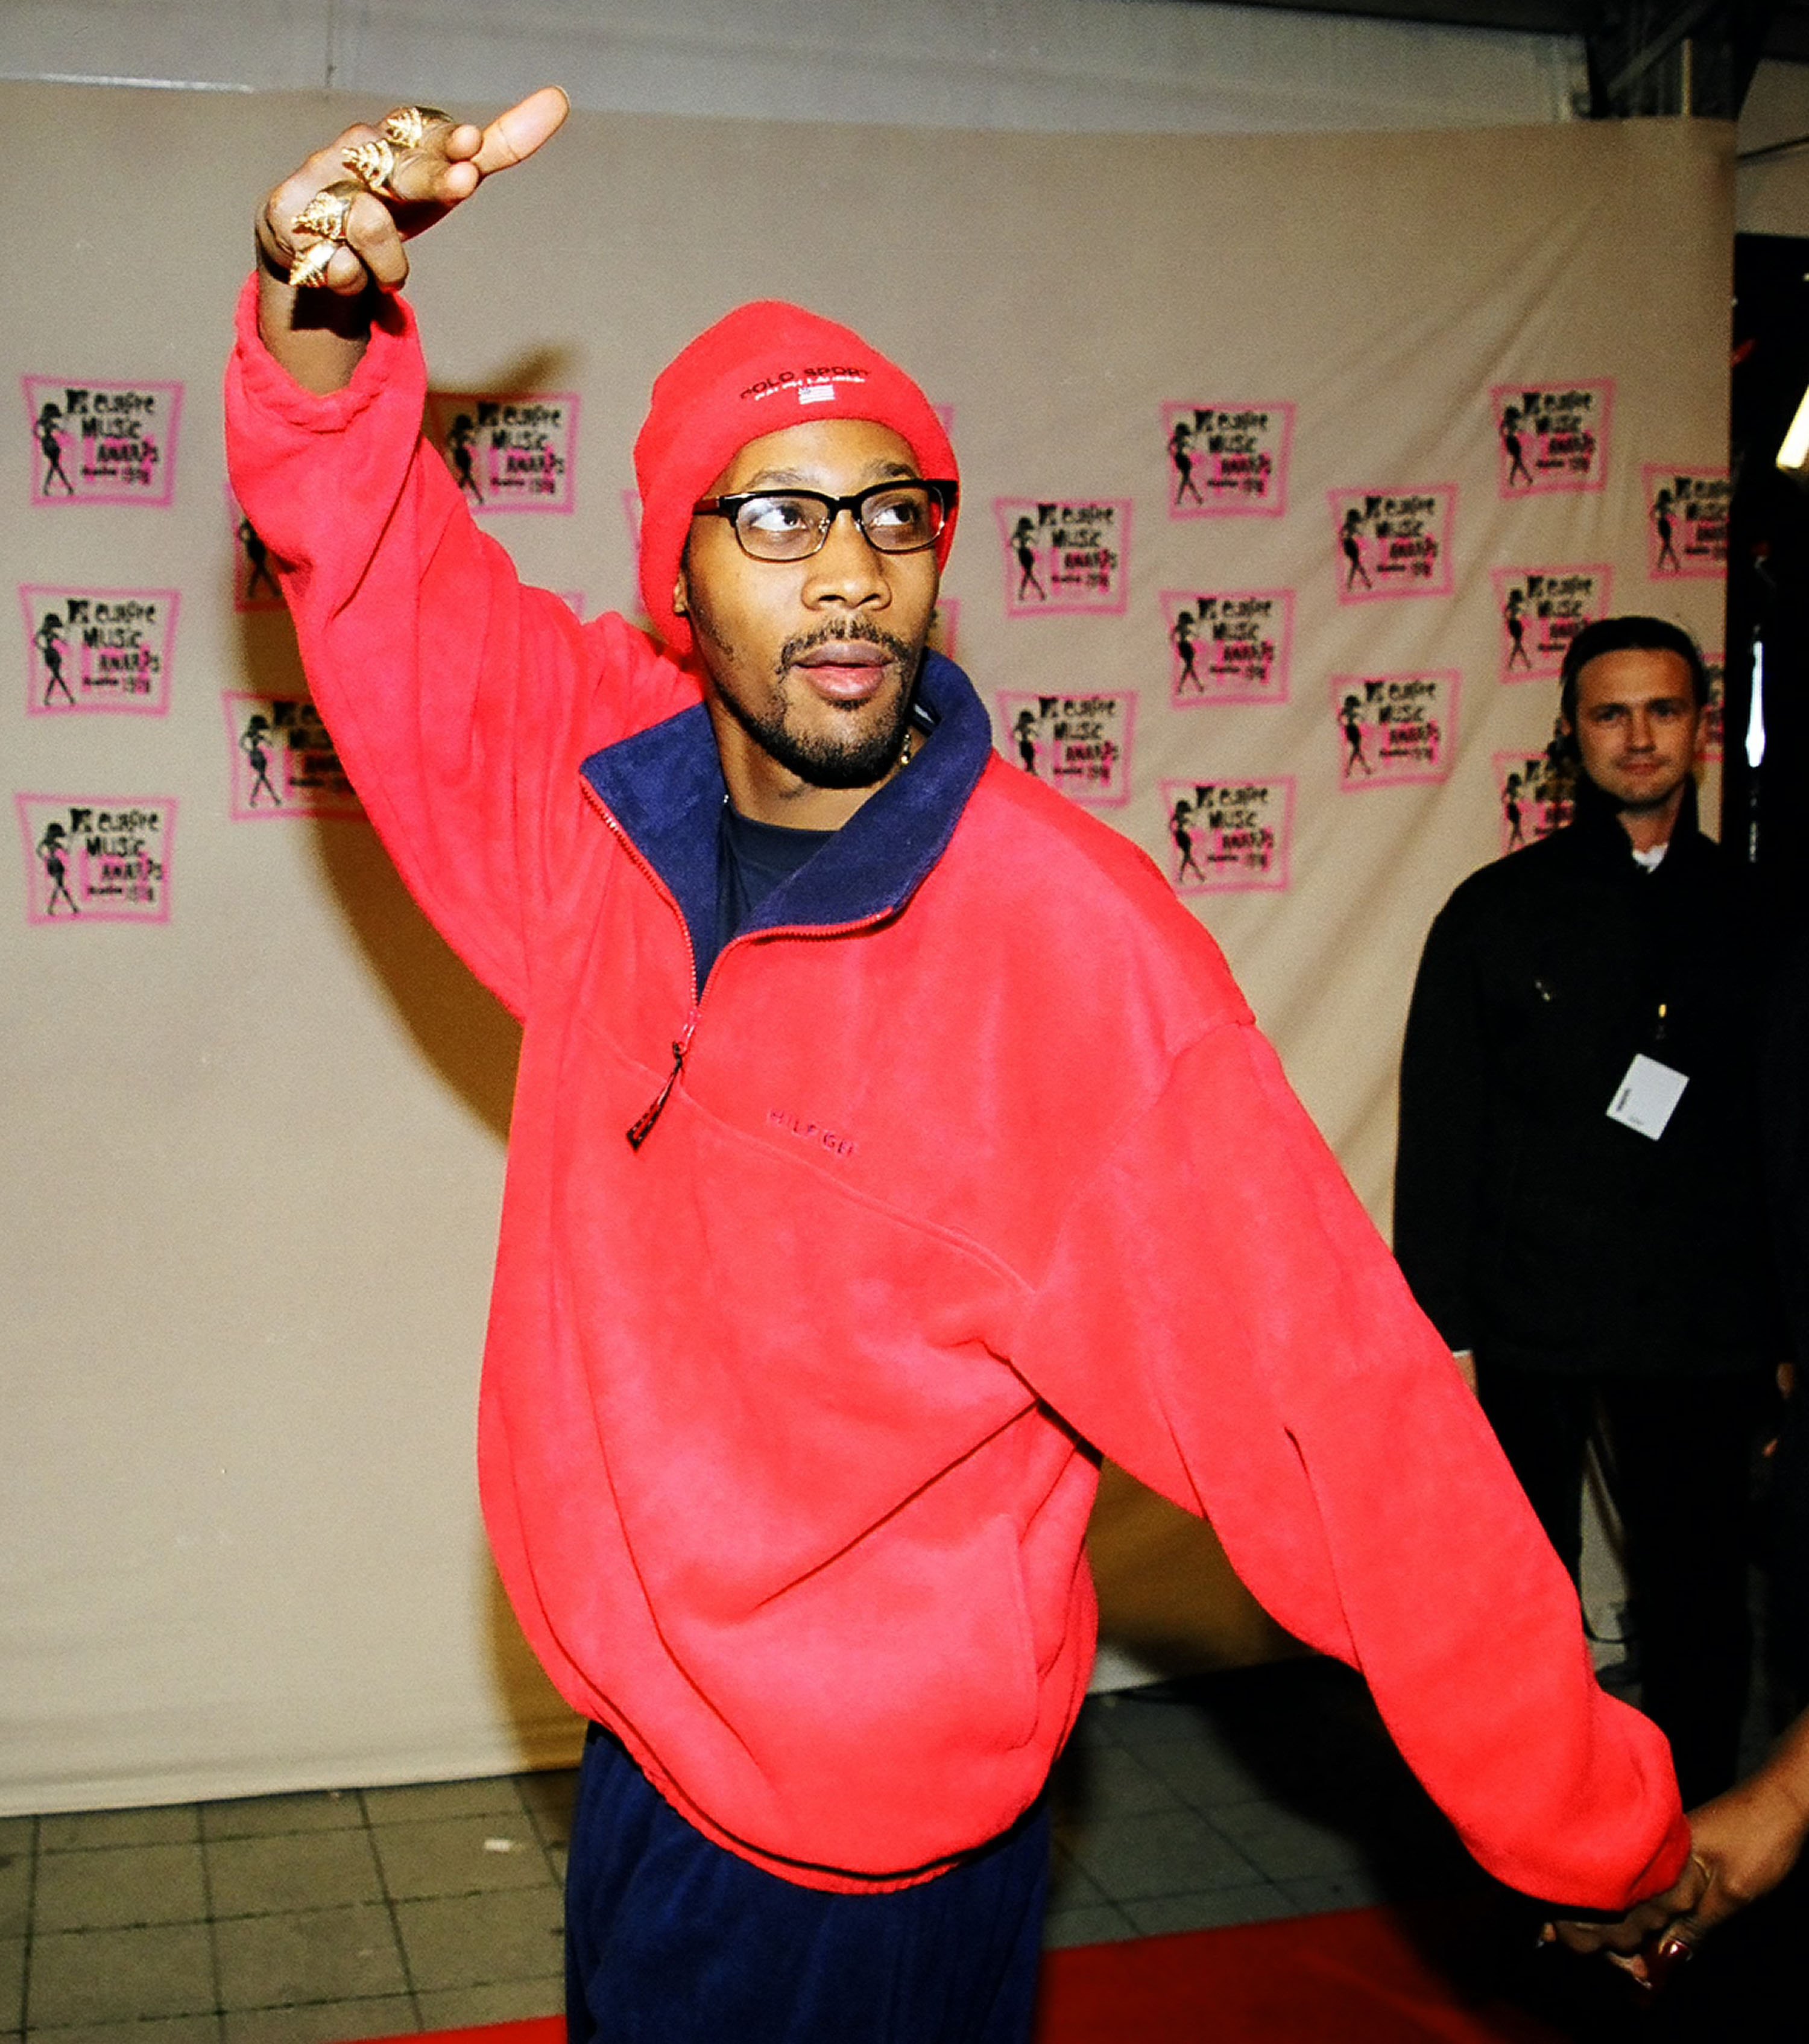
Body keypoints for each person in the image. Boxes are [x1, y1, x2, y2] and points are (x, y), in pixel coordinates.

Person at [229, 96, 1694, 2043]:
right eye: (777, 514)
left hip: (865, 1864)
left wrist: (1592, 1824)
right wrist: (312, 300)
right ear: (681, 574)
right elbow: (374, 564)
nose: (846, 571)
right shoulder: (593, 809)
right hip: (651, 1785)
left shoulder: (1064, 954)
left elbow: (1344, 1425)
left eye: (891, 512)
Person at [1395, 614, 1781, 1816]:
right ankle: (1536, 1824)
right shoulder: (1495, 911)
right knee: (1523, 1595)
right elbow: (1446, 1130)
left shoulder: (1764, 915)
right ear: (1572, 736)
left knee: (1699, 1594)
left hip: (1704, 1325)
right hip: (1533, 1315)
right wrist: (1436, 1328)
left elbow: (1791, 1134)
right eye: (1610, 713)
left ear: (1702, 727)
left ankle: (1701, 1833)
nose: (1638, 736)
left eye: (1663, 710)